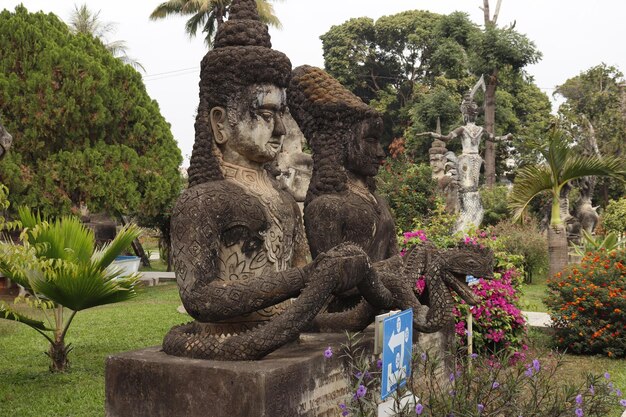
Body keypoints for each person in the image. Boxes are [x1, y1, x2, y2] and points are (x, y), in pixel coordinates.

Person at [162, 0, 369, 361]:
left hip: (284, 342)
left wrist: (370, 282)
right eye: (265, 113)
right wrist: (307, 279)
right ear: (220, 123)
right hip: (224, 349)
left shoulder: (285, 199)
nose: (280, 128)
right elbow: (199, 298)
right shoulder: (203, 202)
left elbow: (307, 287)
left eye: (282, 114)